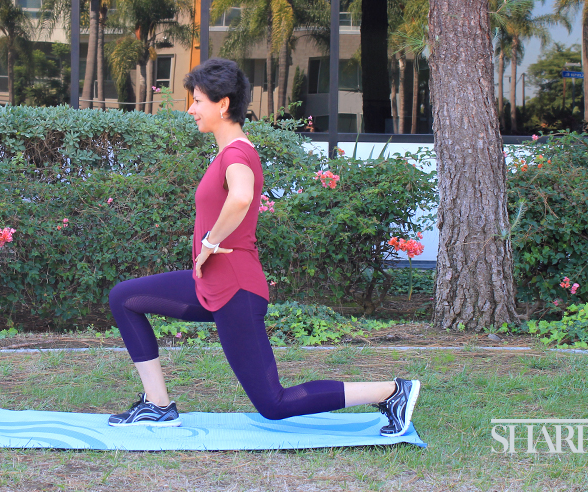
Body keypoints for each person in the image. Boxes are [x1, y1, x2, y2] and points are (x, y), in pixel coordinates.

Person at [106, 58, 420, 437]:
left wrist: (210, 242)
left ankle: (392, 391)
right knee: (125, 297)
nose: (191, 109)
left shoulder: (237, 153)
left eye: (198, 100)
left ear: (222, 104)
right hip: (211, 284)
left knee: (274, 404)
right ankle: (157, 405)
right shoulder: (228, 152)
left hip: (235, 291)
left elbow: (239, 198)